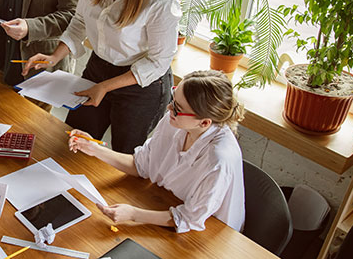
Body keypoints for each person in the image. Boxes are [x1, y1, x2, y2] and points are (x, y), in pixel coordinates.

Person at [24, 0, 181, 152]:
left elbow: (158, 62)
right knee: (73, 140)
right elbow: (80, 21)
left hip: (140, 85)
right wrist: (55, 56)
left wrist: (106, 87)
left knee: (122, 156)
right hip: (99, 68)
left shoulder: (160, 0)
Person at [68, 70, 245, 233]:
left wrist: (133, 215)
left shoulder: (219, 159)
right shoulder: (174, 120)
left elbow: (189, 219)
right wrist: (95, 149)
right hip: (167, 203)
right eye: (173, 99)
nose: (169, 108)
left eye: (178, 108)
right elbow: (141, 165)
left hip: (210, 231)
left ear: (204, 123)